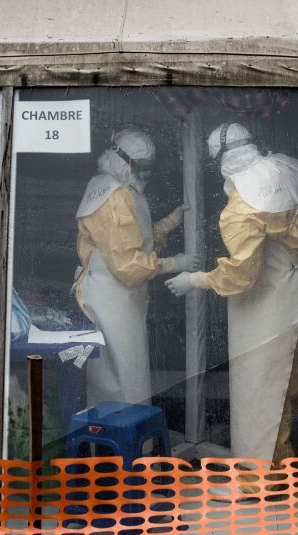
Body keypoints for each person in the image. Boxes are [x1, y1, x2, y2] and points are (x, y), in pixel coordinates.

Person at [165, 122, 298, 461]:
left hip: (273, 305)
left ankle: (264, 479)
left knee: (265, 391)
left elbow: (242, 274)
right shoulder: (285, 166)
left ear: (220, 161)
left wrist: (195, 279)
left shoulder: (242, 207)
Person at [74, 128, 197, 406]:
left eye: (150, 168)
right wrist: (174, 263)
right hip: (114, 299)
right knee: (126, 383)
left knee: (115, 379)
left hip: (113, 297)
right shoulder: (115, 196)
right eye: (143, 167)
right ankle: (125, 447)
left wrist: (168, 223)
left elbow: (130, 238)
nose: (148, 174)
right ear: (124, 161)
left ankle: (113, 444)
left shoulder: (112, 186)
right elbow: (128, 265)